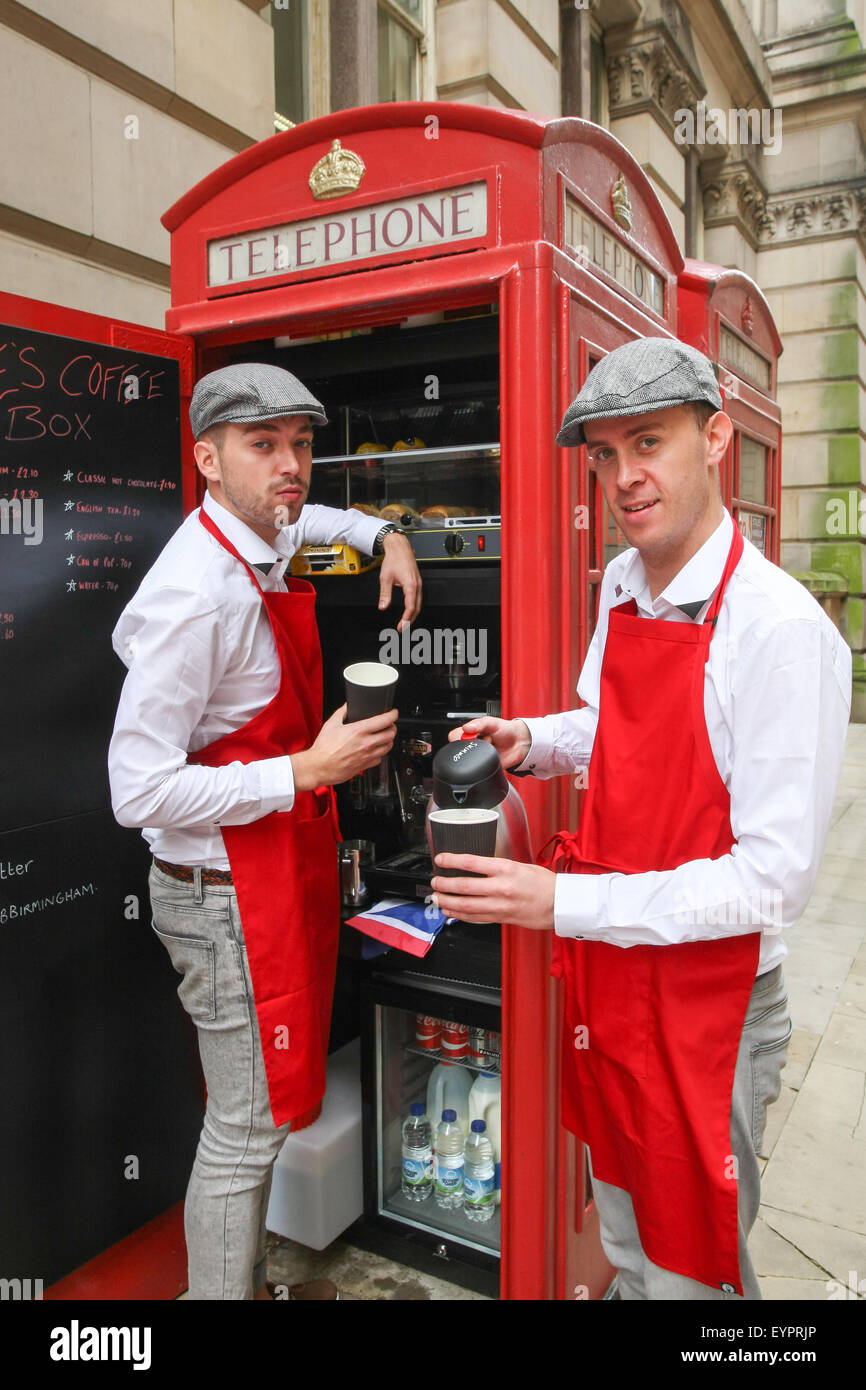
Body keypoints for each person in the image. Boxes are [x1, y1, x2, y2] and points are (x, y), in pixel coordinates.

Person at [431, 337, 852, 1301]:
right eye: (606, 456)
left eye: (648, 444)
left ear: (716, 439)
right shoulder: (625, 582)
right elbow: (609, 723)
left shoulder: (781, 635)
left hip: (714, 1000)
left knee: (691, 1271)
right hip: (617, 978)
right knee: (625, 1241)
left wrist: (560, 898)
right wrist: (529, 740)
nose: (624, 478)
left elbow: (770, 882)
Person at [108, 362, 421, 1301]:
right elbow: (137, 789)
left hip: (265, 873)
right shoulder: (197, 593)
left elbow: (304, 516)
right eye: (263, 445)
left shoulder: (256, 533)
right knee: (244, 1132)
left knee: (260, 1120)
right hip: (221, 898)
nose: (292, 467)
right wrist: (304, 772)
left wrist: (384, 533)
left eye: (302, 444)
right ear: (207, 459)